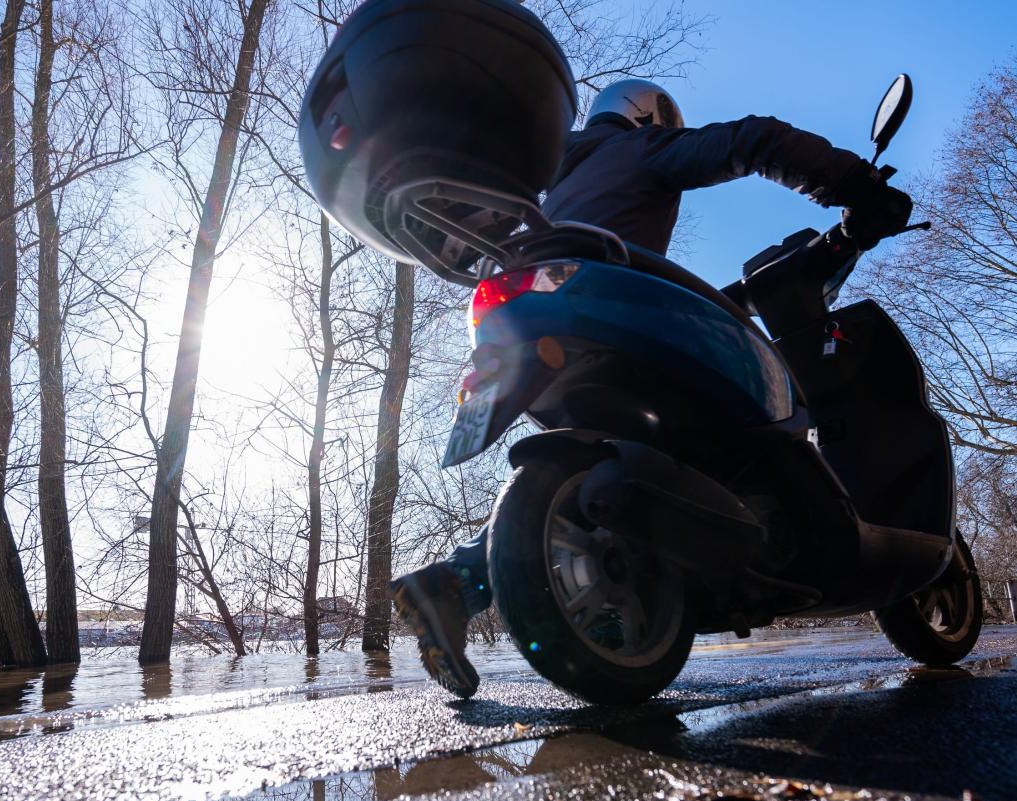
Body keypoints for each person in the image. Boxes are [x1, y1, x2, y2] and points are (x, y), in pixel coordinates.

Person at [388, 79, 913, 698]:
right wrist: (854, 187)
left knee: (619, 452)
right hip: (608, 303)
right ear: (649, 116)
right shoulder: (636, 150)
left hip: (537, 316)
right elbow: (752, 140)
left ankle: (450, 584)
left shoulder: (552, 186)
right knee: (746, 415)